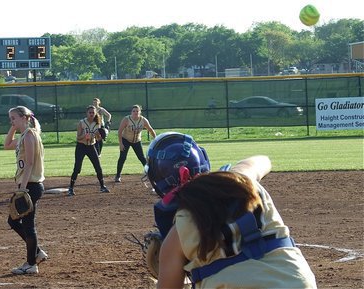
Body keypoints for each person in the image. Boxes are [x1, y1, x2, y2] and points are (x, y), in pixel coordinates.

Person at [145, 132, 317, 289]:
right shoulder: (242, 182)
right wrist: (232, 174)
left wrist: (176, 272)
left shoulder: (176, 237)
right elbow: (263, 160)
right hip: (296, 281)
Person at [4, 106, 48, 275]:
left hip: (30, 185)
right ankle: (36, 254)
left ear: (24, 118)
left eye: (13, 118)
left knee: (27, 226)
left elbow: (29, 163)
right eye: (10, 119)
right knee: (14, 221)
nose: (11, 121)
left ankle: (31, 263)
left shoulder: (30, 135)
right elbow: (7, 144)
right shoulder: (24, 135)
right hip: (28, 185)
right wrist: (13, 128)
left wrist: (23, 188)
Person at [68, 105, 110, 195]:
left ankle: (102, 186)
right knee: (77, 168)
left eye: (93, 113)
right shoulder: (82, 123)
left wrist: (100, 135)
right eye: (90, 112)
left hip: (91, 146)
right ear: (87, 113)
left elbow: (98, 139)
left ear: (95, 113)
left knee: (98, 167)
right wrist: (85, 136)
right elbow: (78, 138)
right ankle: (71, 188)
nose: (91, 114)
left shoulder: (97, 123)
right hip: (81, 147)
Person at [115, 104, 156, 183]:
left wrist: (156, 139)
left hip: (137, 141)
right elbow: (119, 131)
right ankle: (118, 175)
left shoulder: (143, 120)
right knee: (122, 157)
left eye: (137, 111)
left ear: (140, 112)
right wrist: (121, 143)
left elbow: (150, 130)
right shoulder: (126, 119)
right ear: (131, 112)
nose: (135, 112)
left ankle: (150, 174)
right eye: (134, 111)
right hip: (126, 139)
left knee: (142, 158)